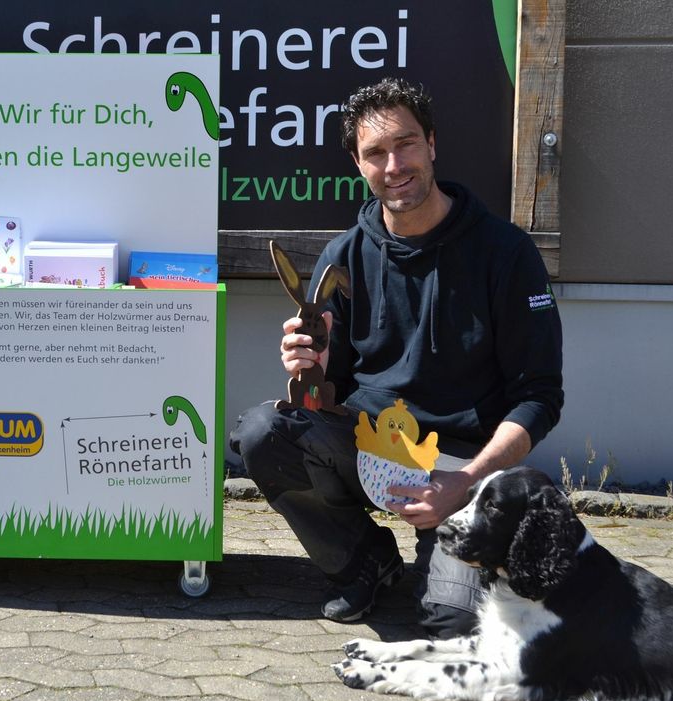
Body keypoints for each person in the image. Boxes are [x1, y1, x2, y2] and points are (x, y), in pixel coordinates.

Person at [229, 77, 564, 637]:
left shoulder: (505, 253)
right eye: (375, 153)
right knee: (266, 431)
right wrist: (308, 368)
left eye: (405, 144)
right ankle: (363, 562)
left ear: (432, 143)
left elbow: (539, 397)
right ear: (359, 164)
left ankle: (453, 560)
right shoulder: (344, 257)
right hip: (369, 449)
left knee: (450, 624)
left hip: (460, 468)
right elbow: (326, 395)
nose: (394, 165)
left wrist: (469, 480)